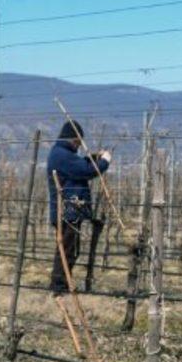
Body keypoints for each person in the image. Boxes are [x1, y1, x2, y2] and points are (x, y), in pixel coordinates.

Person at [47, 119, 111, 294]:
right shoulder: (62, 155)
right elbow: (86, 171)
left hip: (68, 210)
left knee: (69, 249)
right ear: (73, 139)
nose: (79, 146)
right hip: (67, 211)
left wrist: (91, 159)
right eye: (78, 142)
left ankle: (61, 285)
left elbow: (79, 166)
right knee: (67, 250)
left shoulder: (62, 153)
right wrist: (104, 162)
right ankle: (59, 288)